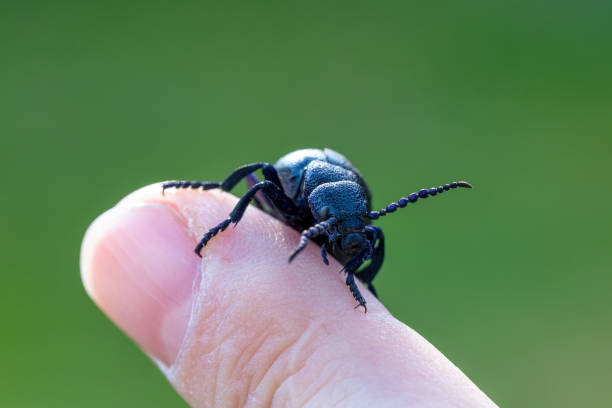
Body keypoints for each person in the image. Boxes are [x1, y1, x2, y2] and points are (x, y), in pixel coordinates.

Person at [80, 183, 497, 407]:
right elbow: (261, 178)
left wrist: (357, 276)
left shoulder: (354, 212)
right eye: (339, 229)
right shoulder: (305, 205)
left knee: (374, 235)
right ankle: (220, 210)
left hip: (335, 200)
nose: (351, 240)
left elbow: (368, 238)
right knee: (259, 175)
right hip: (306, 190)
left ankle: (358, 278)